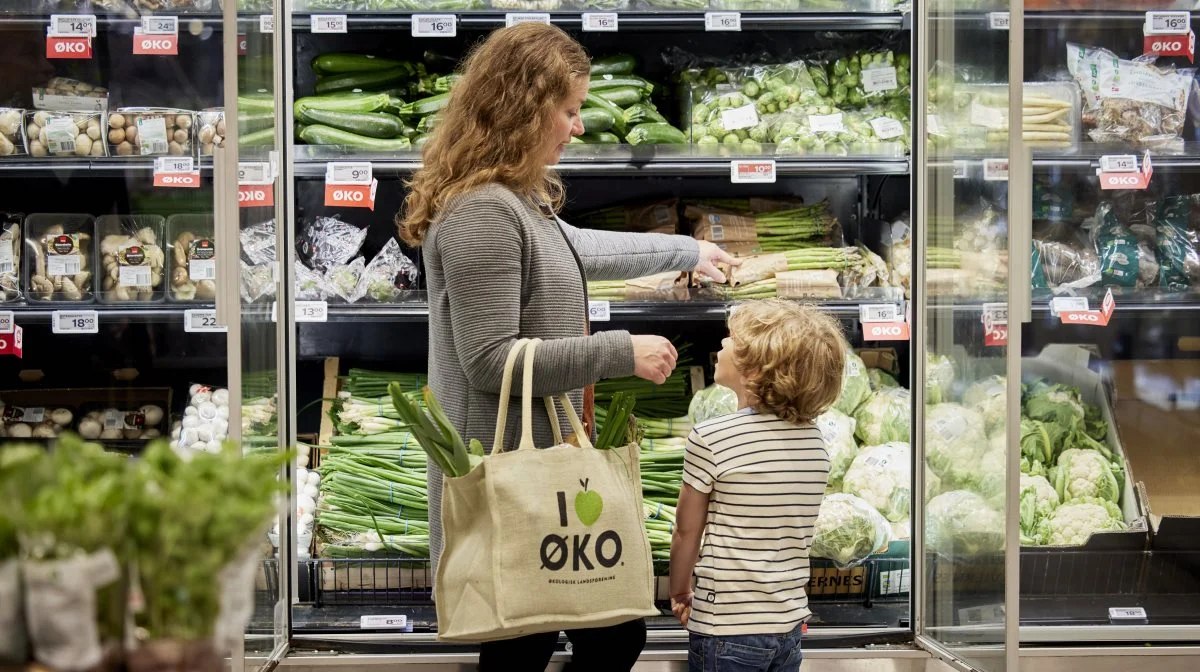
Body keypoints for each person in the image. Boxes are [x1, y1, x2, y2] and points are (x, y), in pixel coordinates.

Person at [397, 23, 739, 672]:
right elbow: (490, 362)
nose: (578, 127)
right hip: (508, 476)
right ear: (524, 109)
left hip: (541, 472)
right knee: (563, 643)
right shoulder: (482, 213)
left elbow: (582, 249)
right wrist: (620, 351)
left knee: (579, 639)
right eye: (570, 109)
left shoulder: (517, 201)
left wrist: (689, 250)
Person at [668, 299, 846, 672]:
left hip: (725, 629)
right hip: (787, 627)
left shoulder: (711, 437)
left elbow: (686, 531)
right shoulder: (814, 441)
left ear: (755, 370)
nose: (721, 345)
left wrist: (680, 590)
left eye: (731, 340)